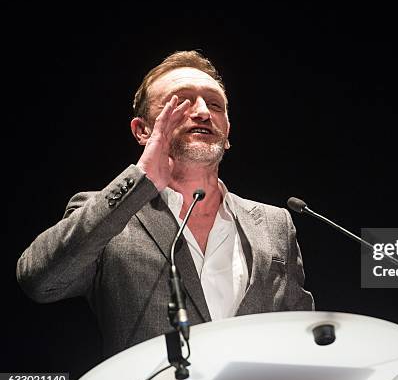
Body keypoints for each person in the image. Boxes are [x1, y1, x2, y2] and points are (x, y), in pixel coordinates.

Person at [16, 50, 315, 358]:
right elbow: (40, 281)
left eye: (215, 105)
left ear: (226, 133)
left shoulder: (274, 223)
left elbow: (301, 333)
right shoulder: (108, 212)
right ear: (142, 130)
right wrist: (138, 179)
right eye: (180, 103)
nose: (202, 112)